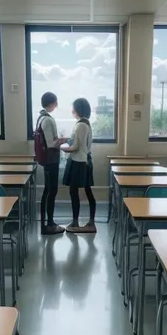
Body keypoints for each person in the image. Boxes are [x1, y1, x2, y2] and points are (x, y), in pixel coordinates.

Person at [62, 98, 96, 233]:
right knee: (87, 191)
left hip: (78, 162)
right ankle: (89, 221)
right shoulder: (85, 123)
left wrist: (63, 148)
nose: (72, 111)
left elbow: (76, 146)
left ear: (78, 110)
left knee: (74, 192)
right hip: (83, 161)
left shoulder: (80, 125)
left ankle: (76, 221)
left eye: (73, 108)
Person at [37, 92, 66, 235]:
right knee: (51, 191)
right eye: (56, 102)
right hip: (51, 160)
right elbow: (51, 144)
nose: (57, 105)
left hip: (46, 160)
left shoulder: (40, 117)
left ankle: (46, 223)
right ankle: (49, 224)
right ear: (52, 103)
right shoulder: (47, 120)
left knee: (47, 191)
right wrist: (62, 140)